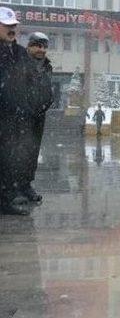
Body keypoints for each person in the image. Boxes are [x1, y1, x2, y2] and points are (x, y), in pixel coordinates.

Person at [0, 7, 32, 214]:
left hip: (14, 115)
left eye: (14, 26)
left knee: (9, 158)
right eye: (7, 26)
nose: (12, 29)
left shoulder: (20, 52)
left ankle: (7, 199)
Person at [22, 31, 53, 203]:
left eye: (44, 47)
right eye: (37, 46)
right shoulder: (20, 64)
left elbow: (47, 90)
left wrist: (46, 104)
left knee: (32, 153)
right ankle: (12, 189)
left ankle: (26, 185)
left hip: (38, 117)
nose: (41, 50)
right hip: (20, 117)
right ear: (29, 46)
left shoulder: (46, 66)